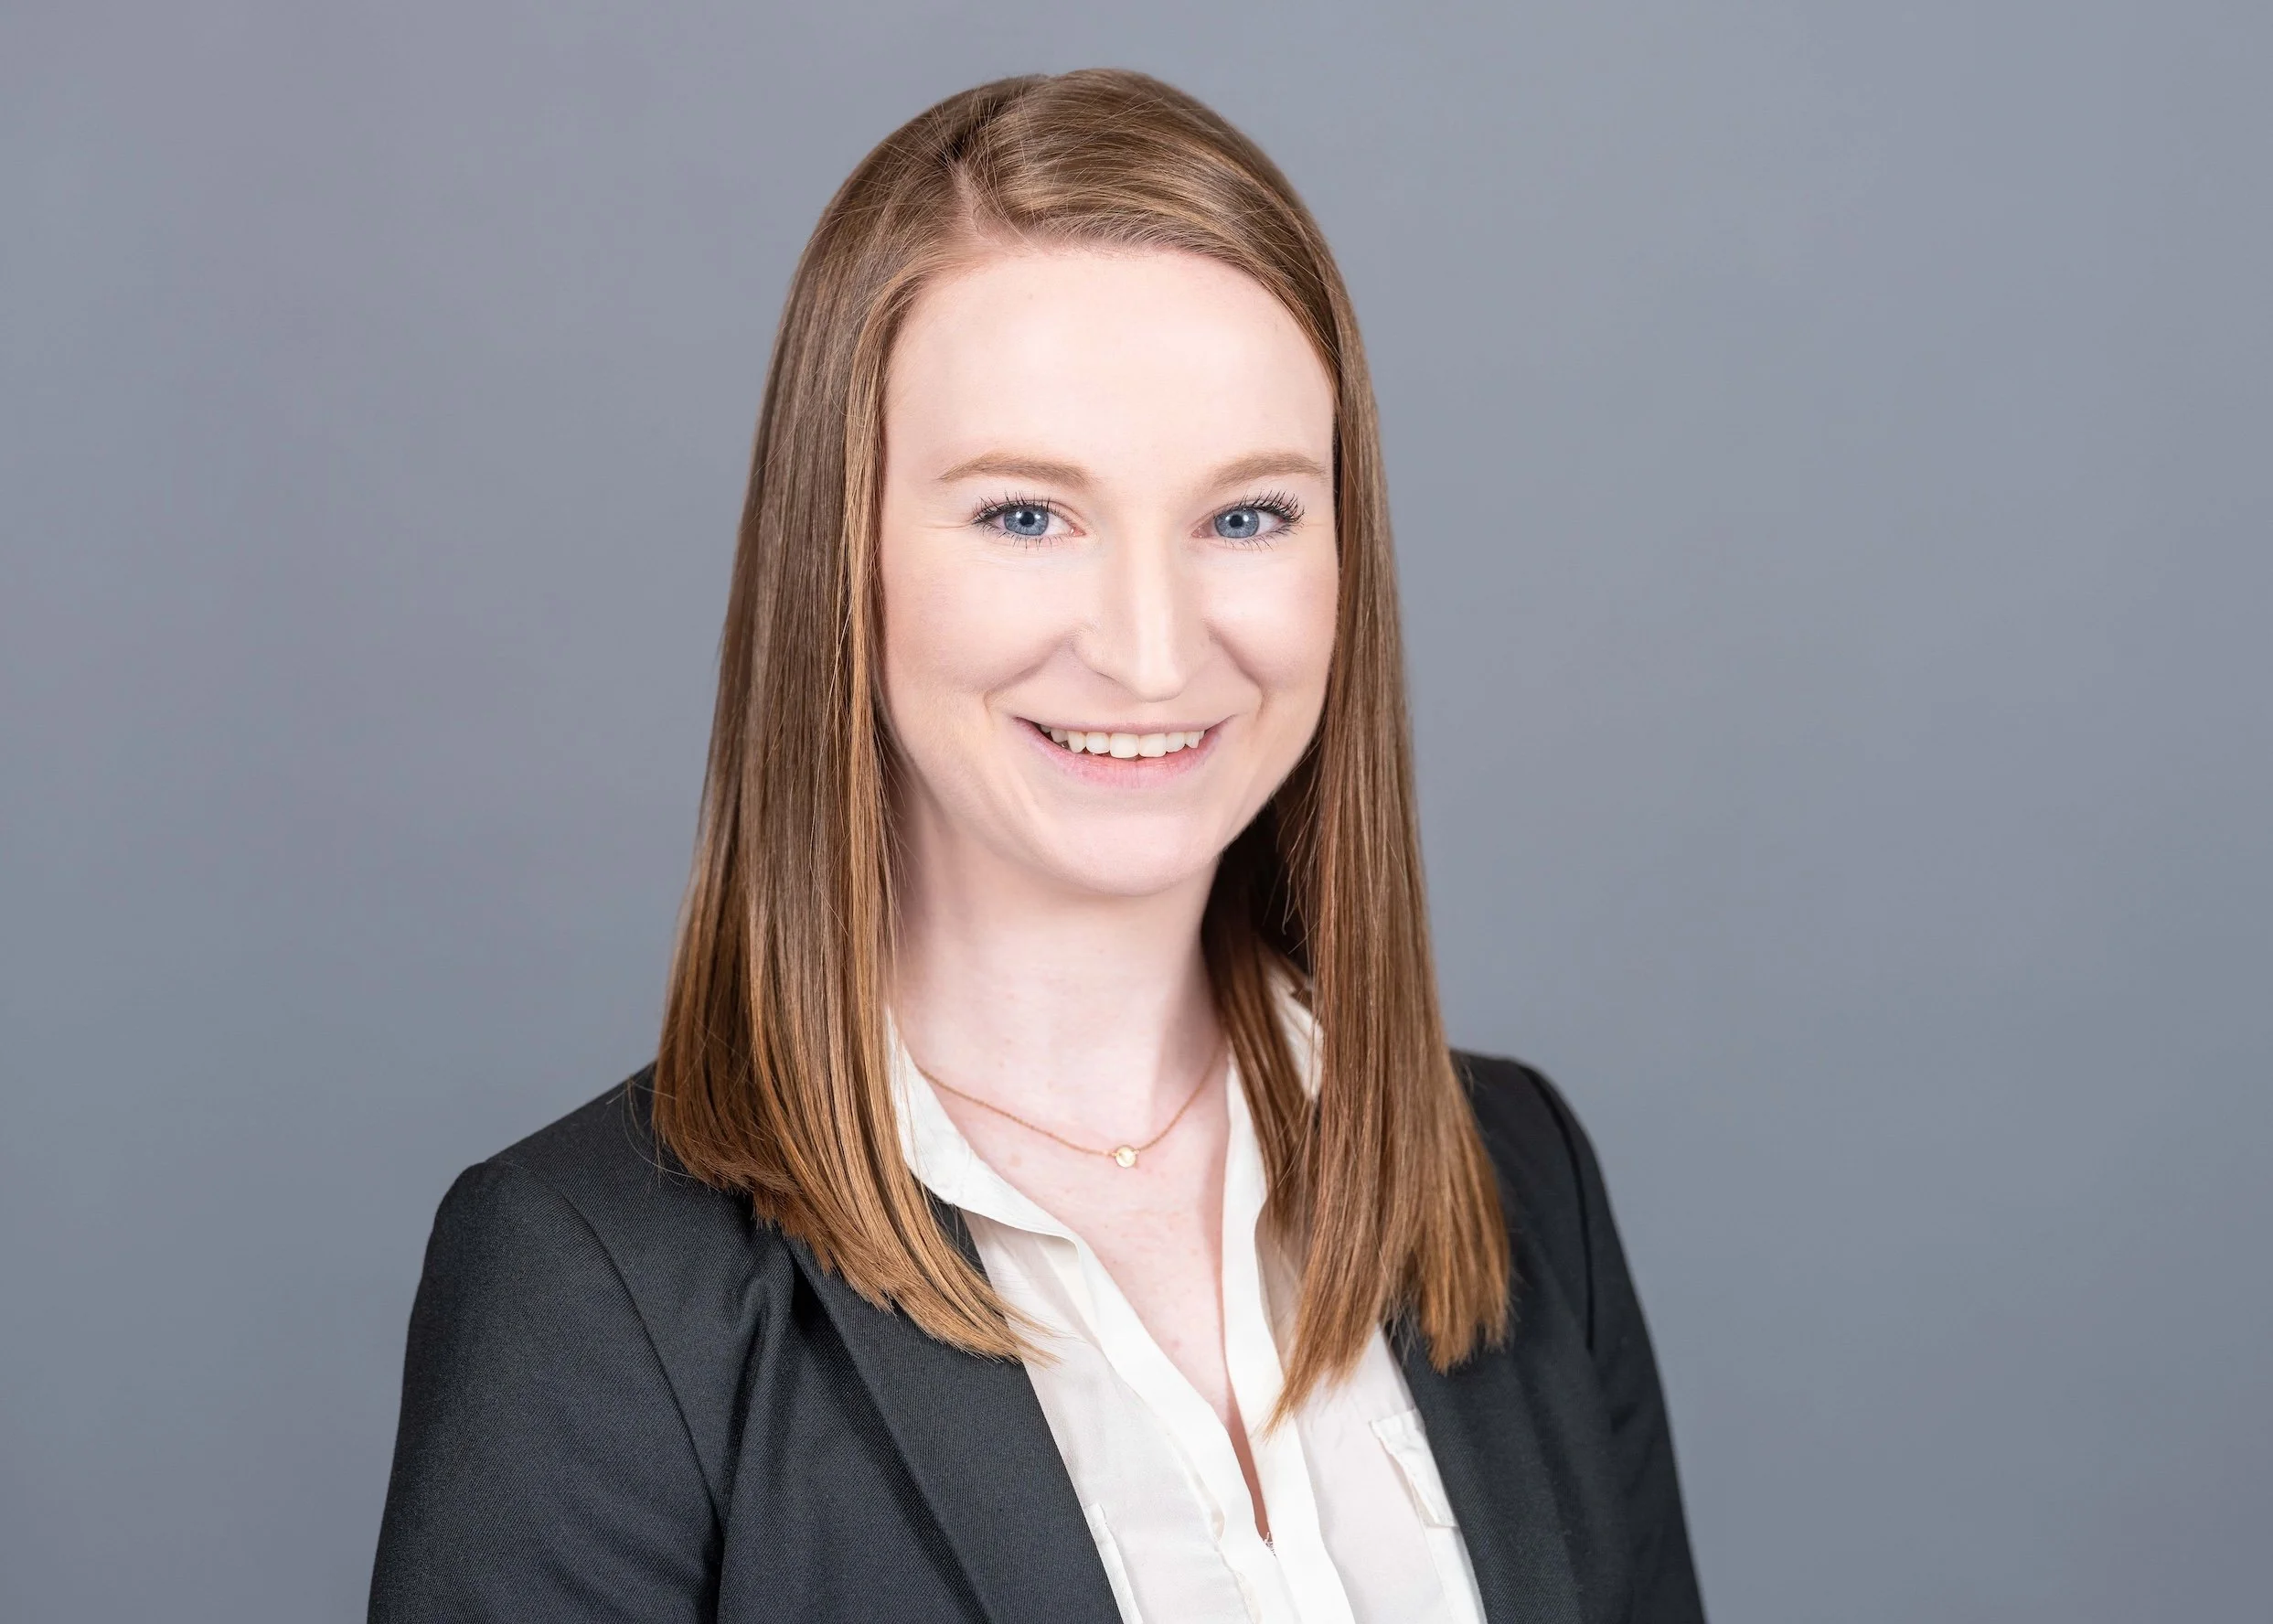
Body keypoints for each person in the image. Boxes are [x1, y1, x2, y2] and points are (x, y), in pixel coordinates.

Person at [369, 68, 1704, 1624]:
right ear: (840, 560)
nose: (1149, 654)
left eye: (1249, 515)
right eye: (1024, 515)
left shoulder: (1515, 1178)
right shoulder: (589, 1286)